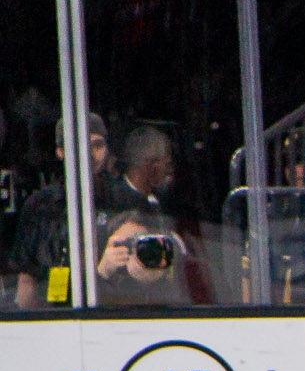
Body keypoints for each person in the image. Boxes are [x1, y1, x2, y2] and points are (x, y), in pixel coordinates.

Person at [10, 112, 111, 308]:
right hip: (55, 311)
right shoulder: (40, 205)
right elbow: (27, 277)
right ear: (60, 151)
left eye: (97, 145)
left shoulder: (122, 198)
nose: (89, 154)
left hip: (113, 311)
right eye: (80, 146)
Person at [93, 209, 188, 307]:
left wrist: (155, 276)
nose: (134, 250)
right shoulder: (106, 285)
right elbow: (98, 310)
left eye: (141, 243)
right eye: (126, 244)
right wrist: (103, 273)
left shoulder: (172, 275)